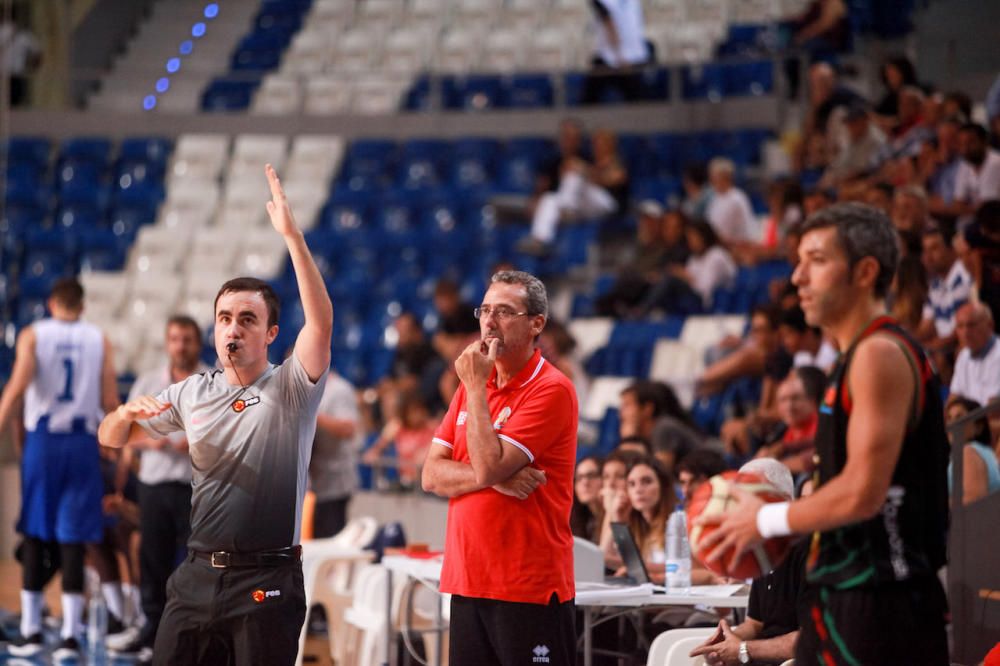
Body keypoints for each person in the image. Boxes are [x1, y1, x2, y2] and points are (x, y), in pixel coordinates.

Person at [97, 165, 333, 666]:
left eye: (248, 319)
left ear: (271, 334)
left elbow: (320, 321)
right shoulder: (191, 393)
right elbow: (112, 436)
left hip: (266, 579)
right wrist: (122, 412)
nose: (233, 328)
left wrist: (292, 237)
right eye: (225, 318)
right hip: (198, 575)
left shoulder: (292, 387)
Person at [699, 202, 951, 665]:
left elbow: (862, 493)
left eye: (816, 260)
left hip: (881, 597)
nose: (797, 277)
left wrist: (763, 520)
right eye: (798, 261)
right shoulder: (850, 358)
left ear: (865, 271)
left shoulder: (879, 353)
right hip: (844, 592)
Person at [421, 270, 578, 666]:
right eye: (485, 310)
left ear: (536, 324)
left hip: (527, 586)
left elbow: (487, 465)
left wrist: (475, 389)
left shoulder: (551, 389)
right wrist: (494, 479)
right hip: (469, 578)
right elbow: (431, 476)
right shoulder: (473, 386)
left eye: (505, 312)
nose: (489, 322)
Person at [0, 278, 119, 660]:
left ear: (52, 303)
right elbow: (109, 400)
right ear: (82, 306)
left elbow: (17, 389)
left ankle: (32, 629)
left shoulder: (34, 334)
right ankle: (70, 635)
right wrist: (120, 448)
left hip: (44, 441)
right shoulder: (98, 339)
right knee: (74, 536)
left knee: (35, 531)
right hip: (82, 442)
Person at [106, 315, 210, 661]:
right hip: (154, 486)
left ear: (198, 343)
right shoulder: (149, 382)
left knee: (194, 566)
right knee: (153, 561)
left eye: (187, 339)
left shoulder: (212, 381)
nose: (181, 346)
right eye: (175, 339)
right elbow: (125, 433)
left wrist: (192, 444)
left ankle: (191, 636)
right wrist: (151, 444)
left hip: (196, 489)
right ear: (167, 343)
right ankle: (152, 632)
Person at [690, 458, 807, 666]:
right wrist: (727, 641)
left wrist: (743, 650)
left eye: (745, 500)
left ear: (782, 500)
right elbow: (755, 624)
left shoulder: (809, 553)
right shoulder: (760, 550)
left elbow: (809, 640)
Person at [520, 128, 628, 253]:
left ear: (610, 144)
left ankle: (567, 207)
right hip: (585, 207)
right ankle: (539, 239)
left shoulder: (617, 162)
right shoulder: (591, 160)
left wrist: (583, 170)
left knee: (575, 174)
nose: (598, 146)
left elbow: (614, 179)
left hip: (608, 205)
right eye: (596, 143)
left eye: (602, 143)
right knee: (549, 199)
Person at [601, 456, 674, 582]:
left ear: (663, 486)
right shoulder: (636, 527)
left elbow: (685, 568)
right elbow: (603, 557)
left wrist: (637, 568)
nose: (638, 490)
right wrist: (615, 518)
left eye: (647, 481)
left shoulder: (677, 522)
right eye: (631, 484)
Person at [310, 367, 361, 538]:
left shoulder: (338, 390)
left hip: (335, 481)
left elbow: (348, 428)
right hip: (314, 482)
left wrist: (312, 415)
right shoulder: (307, 388)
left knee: (331, 542)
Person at [581, 0, 649, 104]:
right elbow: (608, 22)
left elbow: (610, 23)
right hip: (614, 57)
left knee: (636, 100)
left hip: (622, 57)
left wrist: (620, 55)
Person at [944, 395, 1000, 505]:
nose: (952, 424)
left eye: (959, 418)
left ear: (978, 428)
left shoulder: (969, 452)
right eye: (949, 418)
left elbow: (971, 506)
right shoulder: (975, 452)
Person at [950, 302, 1000, 406]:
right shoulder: (963, 356)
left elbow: (994, 409)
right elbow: (954, 397)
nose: (965, 333)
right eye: (960, 326)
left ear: (990, 325)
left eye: (971, 325)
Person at [705, 158, 755, 244]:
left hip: (739, 245)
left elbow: (724, 231)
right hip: (719, 243)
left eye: (714, 176)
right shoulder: (715, 198)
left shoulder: (736, 198)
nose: (711, 180)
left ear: (726, 176)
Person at [571, 455, 604, 543]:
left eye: (591, 475)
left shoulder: (616, 516)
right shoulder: (582, 520)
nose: (585, 482)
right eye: (579, 478)